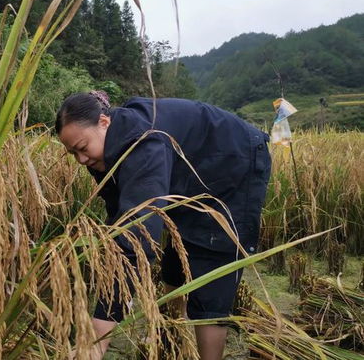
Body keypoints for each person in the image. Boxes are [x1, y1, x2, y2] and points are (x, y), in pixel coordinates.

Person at [56, 91, 271, 360]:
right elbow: (121, 217)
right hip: (190, 172)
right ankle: (172, 332)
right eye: (72, 153)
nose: (81, 160)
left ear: (103, 122)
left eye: (83, 148)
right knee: (177, 247)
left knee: (211, 262)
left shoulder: (144, 144)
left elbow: (136, 238)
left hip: (233, 164)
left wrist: (97, 338)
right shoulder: (107, 150)